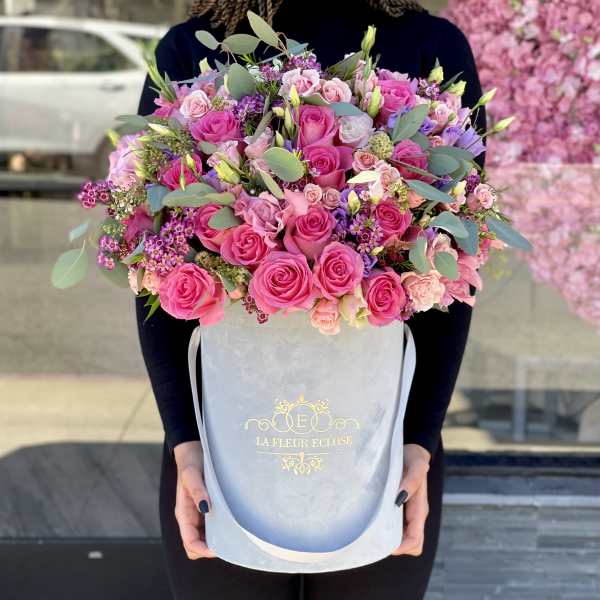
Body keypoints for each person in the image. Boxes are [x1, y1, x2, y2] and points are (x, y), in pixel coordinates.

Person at [135, 1, 486, 598]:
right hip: (221, 446)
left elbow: (452, 272)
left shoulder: (431, 47)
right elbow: (158, 270)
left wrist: (419, 443)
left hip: (383, 446)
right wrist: (186, 445)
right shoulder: (192, 49)